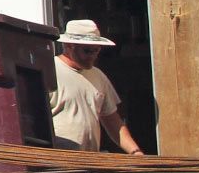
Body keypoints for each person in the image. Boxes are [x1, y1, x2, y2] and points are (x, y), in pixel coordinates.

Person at [49, 19, 146, 155]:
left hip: (90, 162)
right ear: (69, 45)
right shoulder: (50, 71)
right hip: (58, 163)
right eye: (88, 51)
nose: (93, 56)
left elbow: (112, 120)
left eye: (97, 50)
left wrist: (135, 152)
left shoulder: (98, 76)